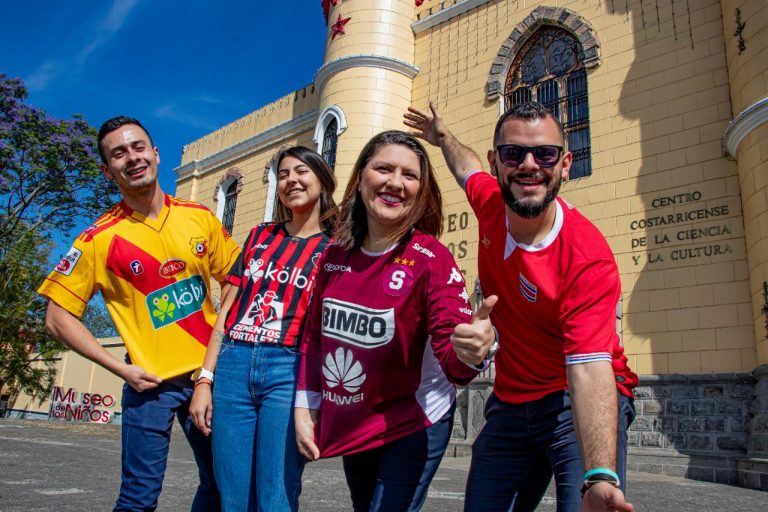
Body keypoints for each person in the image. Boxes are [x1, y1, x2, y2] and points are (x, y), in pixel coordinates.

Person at [404, 101, 638, 512]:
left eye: (544, 153)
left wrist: (600, 475)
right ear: (497, 164)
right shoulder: (491, 203)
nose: (529, 165)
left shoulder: (587, 257)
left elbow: (587, 367)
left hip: (573, 398)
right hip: (511, 401)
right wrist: (442, 136)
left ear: (565, 163)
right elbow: (465, 166)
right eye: (513, 154)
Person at [39, 116, 240, 512]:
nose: (132, 158)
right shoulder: (97, 238)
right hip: (149, 385)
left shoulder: (198, 216)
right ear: (106, 169)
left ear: (155, 153)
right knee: (138, 498)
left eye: (138, 147)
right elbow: (56, 317)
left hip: (209, 378)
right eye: (119, 153)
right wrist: (120, 369)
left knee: (221, 485)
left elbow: (234, 279)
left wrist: (213, 361)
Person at [294, 131, 497, 512]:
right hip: (356, 417)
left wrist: (471, 350)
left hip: (414, 420)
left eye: (409, 175)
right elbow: (314, 339)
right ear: (361, 178)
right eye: (383, 168)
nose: (394, 183)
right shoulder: (334, 255)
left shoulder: (431, 259)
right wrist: (306, 406)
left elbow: (454, 363)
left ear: (421, 191)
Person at [189, 146, 338, 511]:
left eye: (301, 171)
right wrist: (205, 380)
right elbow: (227, 310)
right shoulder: (259, 236)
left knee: (276, 496)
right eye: (283, 174)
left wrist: (314, 399)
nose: (291, 180)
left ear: (322, 178)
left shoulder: (336, 250)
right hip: (234, 365)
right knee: (233, 496)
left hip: (287, 370)